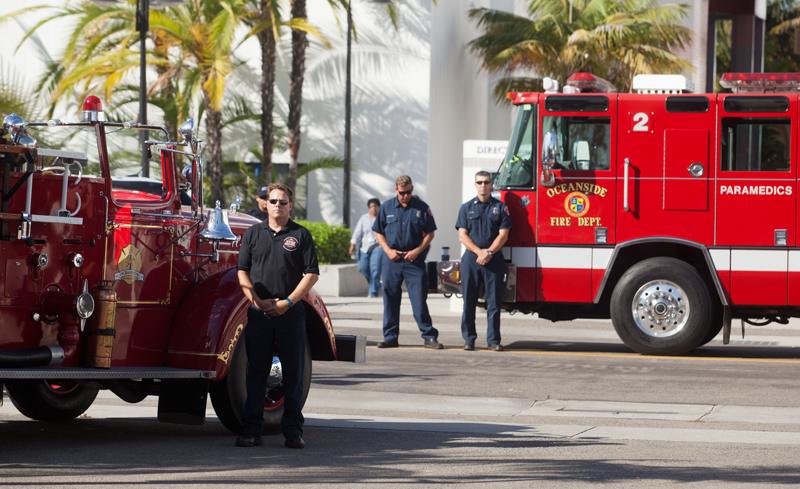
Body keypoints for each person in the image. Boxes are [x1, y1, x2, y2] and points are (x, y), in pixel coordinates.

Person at [235, 183, 320, 449]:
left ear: (290, 205)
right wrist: (256, 301)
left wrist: (288, 302)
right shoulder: (252, 234)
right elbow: (242, 271)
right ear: (266, 204)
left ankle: (293, 432)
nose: (277, 206)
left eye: (283, 202)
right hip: (259, 313)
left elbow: (312, 273)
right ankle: (252, 431)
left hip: (291, 313)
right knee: (256, 373)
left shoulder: (301, 235)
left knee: (294, 374)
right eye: (273, 201)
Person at [372, 175, 441, 349]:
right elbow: (378, 232)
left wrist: (417, 251)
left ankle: (429, 336)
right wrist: (388, 251)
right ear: (396, 190)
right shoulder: (386, 207)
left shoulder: (422, 208)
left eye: (409, 192)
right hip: (392, 259)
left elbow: (430, 233)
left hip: (414, 260)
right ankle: (390, 337)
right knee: (390, 298)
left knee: (419, 299)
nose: (406, 196)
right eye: (403, 193)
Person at [456, 171, 511, 351]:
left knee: (494, 303)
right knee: (469, 301)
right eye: (479, 182)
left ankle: (493, 341)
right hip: (472, 258)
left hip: (493, 259)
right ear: (475, 185)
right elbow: (462, 236)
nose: (483, 185)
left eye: (486, 182)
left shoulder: (501, 208)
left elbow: (503, 235)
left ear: (491, 184)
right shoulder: (466, 208)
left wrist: (488, 252)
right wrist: (480, 252)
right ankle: (469, 339)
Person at [349, 198, 384, 298]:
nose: (374, 208)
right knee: (362, 268)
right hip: (364, 247)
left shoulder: (382, 218)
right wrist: (352, 245)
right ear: (369, 208)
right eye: (371, 207)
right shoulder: (364, 218)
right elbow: (357, 232)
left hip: (378, 246)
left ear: (379, 207)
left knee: (375, 269)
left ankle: (372, 292)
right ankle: (375, 283)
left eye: (375, 206)